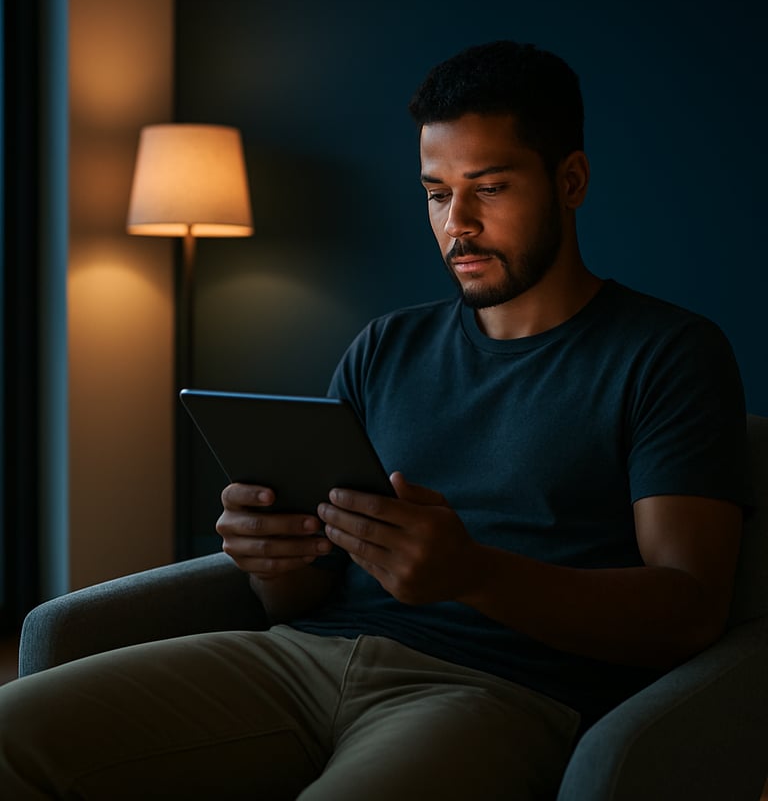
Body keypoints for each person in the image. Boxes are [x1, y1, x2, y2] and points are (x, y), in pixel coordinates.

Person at [0, 40, 747, 800]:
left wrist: (477, 572)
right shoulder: (385, 345)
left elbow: (688, 610)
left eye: (489, 188)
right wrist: (273, 557)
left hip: (498, 691)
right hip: (299, 657)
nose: (458, 224)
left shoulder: (668, 354)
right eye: (435, 192)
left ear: (571, 180)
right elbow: (298, 599)